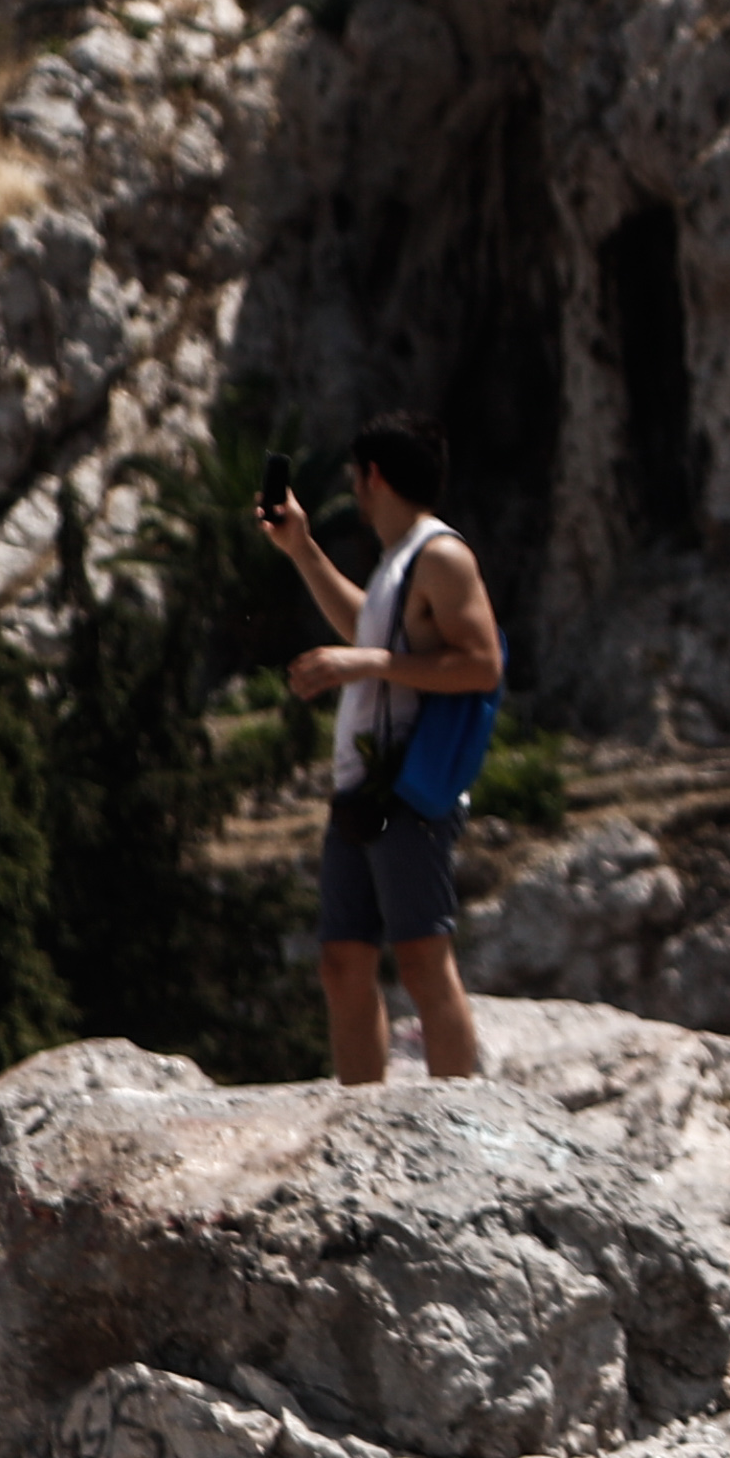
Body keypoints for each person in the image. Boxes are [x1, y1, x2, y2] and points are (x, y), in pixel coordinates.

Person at [258, 414, 503, 1087]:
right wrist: (302, 548)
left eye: (356, 481)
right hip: (362, 785)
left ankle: (456, 1113)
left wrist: (362, 662)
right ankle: (360, 1113)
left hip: (408, 786)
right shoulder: (399, 561)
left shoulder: (442, 556)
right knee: (342, 961)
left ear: (373, 476)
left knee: (423, 958)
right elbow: (371, 626)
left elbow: (479, 664)